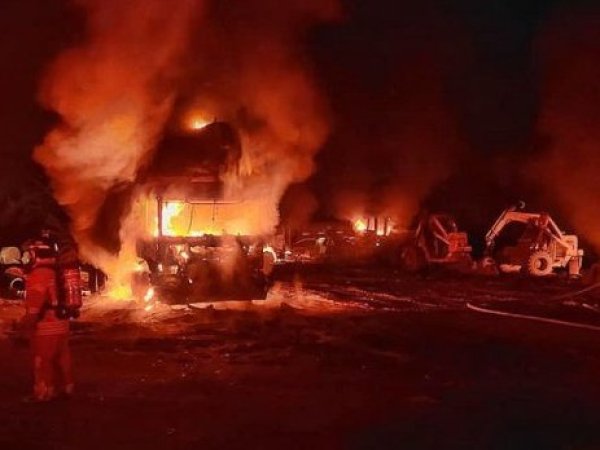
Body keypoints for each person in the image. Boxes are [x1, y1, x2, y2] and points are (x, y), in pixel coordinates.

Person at [20, 230, 74, 402]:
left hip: (46, 326)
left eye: (29, 254)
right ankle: (66, 387)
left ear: (36, 254)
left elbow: (34, 308)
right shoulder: (58, 271)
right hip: (62, 323)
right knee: (62, 357)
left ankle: (44, 392)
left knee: (43, 359)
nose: (27, 258)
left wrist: (25, 326)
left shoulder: (38, 275)